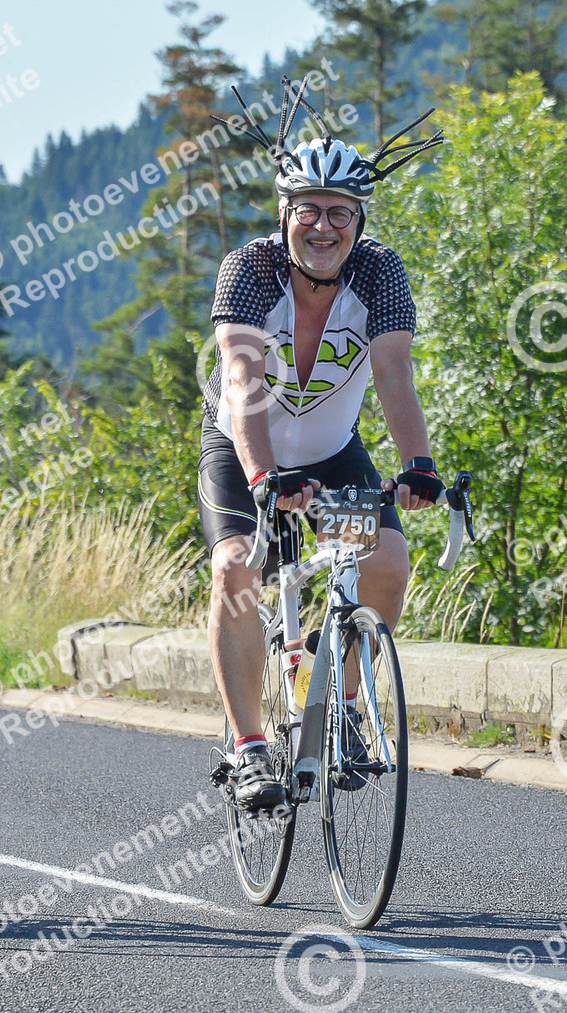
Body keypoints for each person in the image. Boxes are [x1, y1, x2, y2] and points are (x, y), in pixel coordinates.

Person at [201, 82, 446, 811]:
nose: (323, 225)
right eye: (308, 209)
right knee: (237, 568)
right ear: (284, 214)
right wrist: (263, 476)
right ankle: (250, 748)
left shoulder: (379, 272)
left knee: (387, 561)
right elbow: (242, 378)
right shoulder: (249, 270)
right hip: (243, 449)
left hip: (334, 451)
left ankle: (342, 705)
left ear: (359, 222)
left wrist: (419, 464)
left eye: (340, 213)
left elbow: (394, 372)